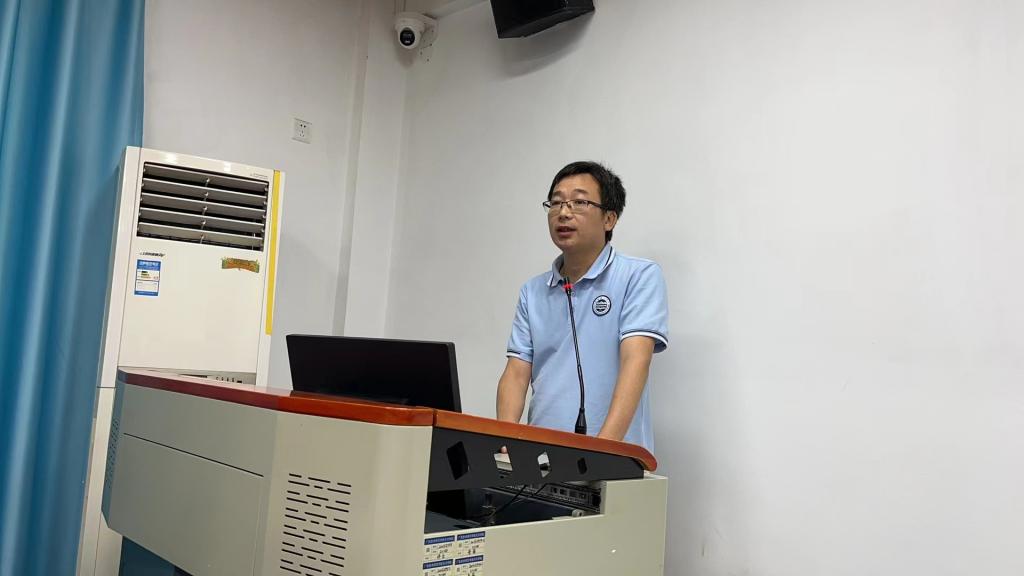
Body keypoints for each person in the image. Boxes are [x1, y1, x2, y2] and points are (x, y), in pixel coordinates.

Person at [496, 161, 668, 451]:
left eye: (579, 202)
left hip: (612, 460)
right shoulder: (532, 292)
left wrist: (601, 451)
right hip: (539, 458)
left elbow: (636, 361)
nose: (563, 212)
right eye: (556, 202)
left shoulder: (638, 276)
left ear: (609, 219)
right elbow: (516, 372)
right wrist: (505, 439)